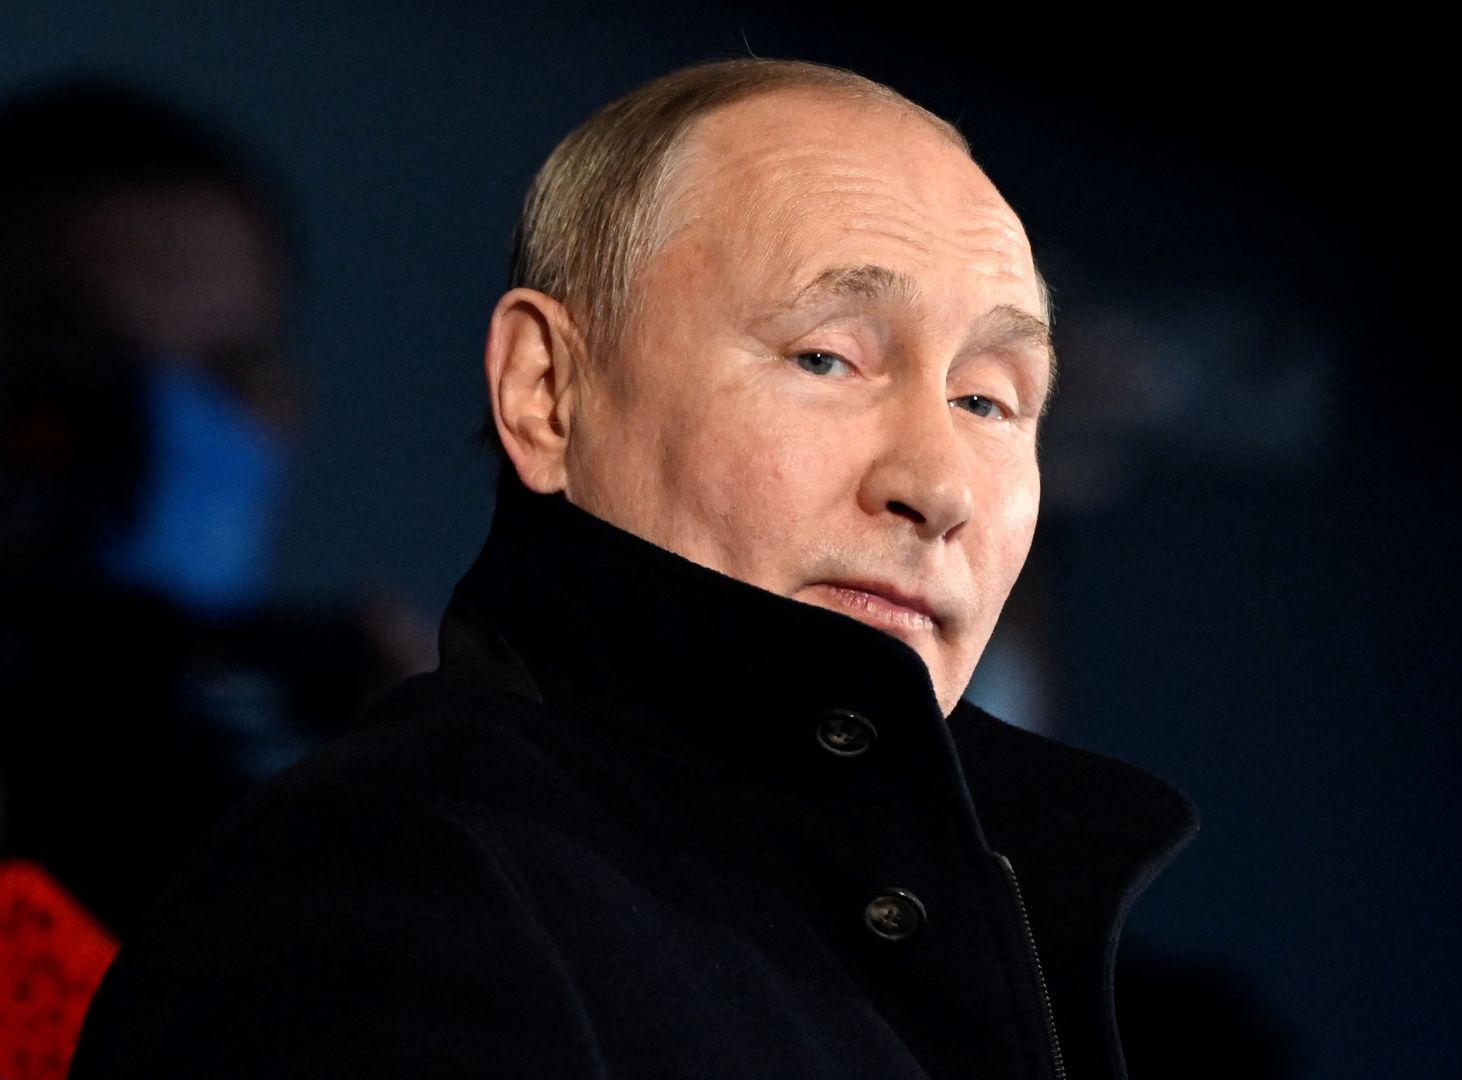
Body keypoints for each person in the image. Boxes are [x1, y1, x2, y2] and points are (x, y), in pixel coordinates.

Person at [71, 58, 1197, 1079]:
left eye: (989, 400)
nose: (942, 487)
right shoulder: (391, 890)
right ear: (546, 394)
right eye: (826, 355)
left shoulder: (1035, 951)